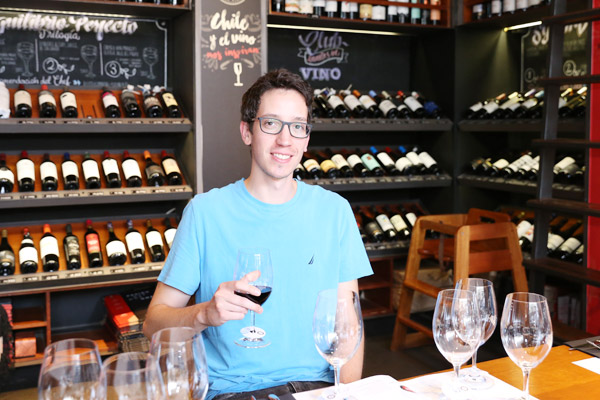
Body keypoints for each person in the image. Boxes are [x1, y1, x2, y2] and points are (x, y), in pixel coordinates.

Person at [143, 68, 373, 400]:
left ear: (306, 139)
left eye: (297, 126)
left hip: (318, 388)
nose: (285, 140)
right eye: (271, 124)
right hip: (236, 391)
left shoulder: (335, 211)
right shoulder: (204, 213)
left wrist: (347, 394)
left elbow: (348, 324)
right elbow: (153, 324)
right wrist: (204, 314)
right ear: (247, 132)